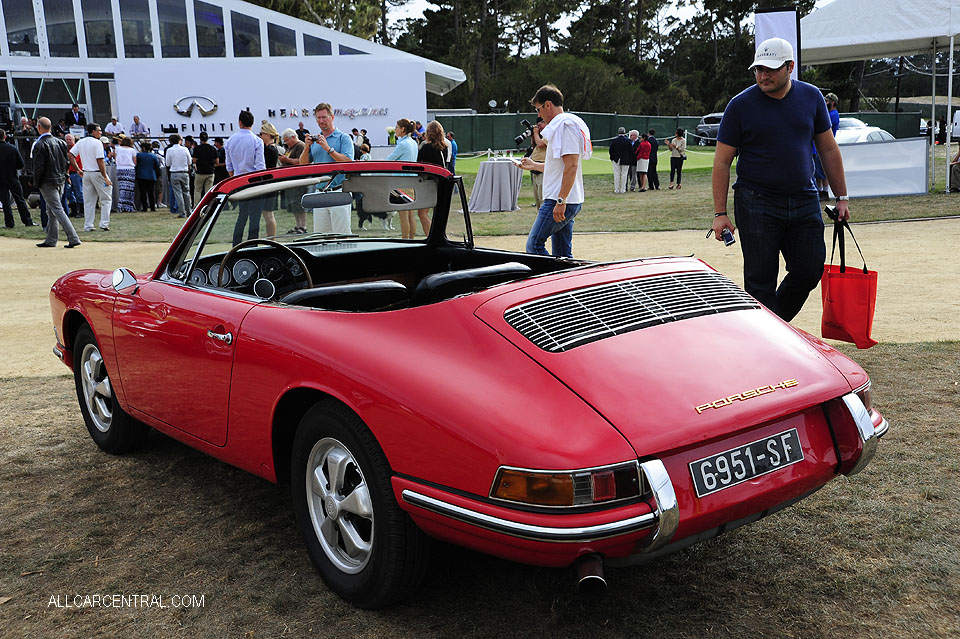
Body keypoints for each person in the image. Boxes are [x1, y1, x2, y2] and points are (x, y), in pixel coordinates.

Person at [712, 36, 850, 322]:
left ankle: (771, 327)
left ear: (790, 67)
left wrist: (842, 197)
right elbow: (722, 161)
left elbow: (827, 148)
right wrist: (720, 213)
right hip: (755, 201)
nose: (763, 75)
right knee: (760, 281)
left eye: (771, 69)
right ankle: (767, 342)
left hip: (804, 199)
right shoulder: (740, 106)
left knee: (810, 267)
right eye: (759, 69)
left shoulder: (811, 97)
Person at [518, 84, 592, 258]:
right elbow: (562, 166)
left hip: (559, 199)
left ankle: (549, 284)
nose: (539, 115)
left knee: (534, 246)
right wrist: (534, 165)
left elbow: (572, 165)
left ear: (548, 104)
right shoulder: (566, 124)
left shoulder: (565, 126)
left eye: (539, 109)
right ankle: (569, 283)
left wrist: (560, 200)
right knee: (562, 255)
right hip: (565, 198)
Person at [298, 102, 355, 235]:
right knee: (321, 237)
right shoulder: (316, 141)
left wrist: (328, 149)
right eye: (318, 118)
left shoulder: (343, 138)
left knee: (342, 237)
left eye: (324, 117)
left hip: (339, 191)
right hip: (320, 192)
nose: (321, 121)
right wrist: (306, 148)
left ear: (332, 117)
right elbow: (303, 165)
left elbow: (348, 162)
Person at [32, 118, 80, 248]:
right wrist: (66, 176)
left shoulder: (39, 144)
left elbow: (39, 167)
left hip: (47, 181)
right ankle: (51, 239)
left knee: (57, 210)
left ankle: (73, 237)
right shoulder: (61, 142)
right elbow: (66, 162)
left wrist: (36, 183)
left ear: (39, 127)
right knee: (52, 210)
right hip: (60, 180)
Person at [225, 110, 265, 244]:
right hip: (254, 182)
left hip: (239, 182)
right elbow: (260, 167)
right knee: (255, 217)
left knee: (242, 216)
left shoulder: (230, 141)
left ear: (240, 123)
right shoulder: (257, 141)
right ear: (252, 123)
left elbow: (229, 167)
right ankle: (252, 244)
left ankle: (236, 244)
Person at [69, 122, 112, 231]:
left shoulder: (81, 142)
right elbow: (100, 160)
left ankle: (88, 225)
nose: (100, 132)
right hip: (97, 172)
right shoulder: (97, 143)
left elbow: (71, 154)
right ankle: (104, 223)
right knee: (106, 199)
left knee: (89, 201)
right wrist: (105, 177)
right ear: (93, 131)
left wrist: (78, 169)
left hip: (86, 173)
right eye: (98, 130)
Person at [384, 118, 419, 238]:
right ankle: (411, 240)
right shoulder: (413, 142)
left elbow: (389, 160)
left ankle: (405, 241)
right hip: (412, 181)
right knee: (410, 214)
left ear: (403, 129)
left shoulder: (403, 144)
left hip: (401, 183)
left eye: (397, 127)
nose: (395, 129)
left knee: (403, 215)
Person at [413, 120, 449, 238]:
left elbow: (418, 164)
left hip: (429, 183)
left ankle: (432, 237)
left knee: (422, 213)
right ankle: (436, 236)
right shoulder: (444, 147)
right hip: (442, 182)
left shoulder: (426, 147)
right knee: (436, 214)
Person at [0, 129, 36, 228]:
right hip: (12, 177)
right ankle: (27, 221)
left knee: (5, 202)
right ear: (5, 136)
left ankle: (9, 223)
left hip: (1, 179)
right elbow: (20, 164)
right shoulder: (12, 148)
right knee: (20, 199)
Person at [278, 127, 307, 233]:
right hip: (291, 179)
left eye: (286, 141)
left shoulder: (300, 146)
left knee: (299, 203)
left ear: (293, 137)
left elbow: (301, 161)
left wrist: (286, 159)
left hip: (299, 179)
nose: (286, 143)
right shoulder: (290, 147)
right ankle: (298, 225)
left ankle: (303, 226)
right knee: (293, 204)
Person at [259, 120, 281, 237]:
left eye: (261, 134)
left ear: (267, 134)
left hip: (268, 184)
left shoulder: (269, 150)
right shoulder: (273, 148)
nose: (260, 136)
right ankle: (271, 239)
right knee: (268, 214)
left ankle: (271, 239)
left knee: (268, 215)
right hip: (270, 184)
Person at [164, 134, 193, 219]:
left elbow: (168, 163)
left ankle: (182, 212)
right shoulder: (185, 149)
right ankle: (189, 211)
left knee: (178, 193)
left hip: (174, 172)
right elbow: (189, 161)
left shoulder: (169, 150)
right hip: (184, 172)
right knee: (186, 192)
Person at [192, 130, 218, 204]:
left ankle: (196, 206)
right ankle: (208, 206)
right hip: (210, 172)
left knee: (197, 190)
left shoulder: (197, 148)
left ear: (200, 139)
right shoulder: (213, 149)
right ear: (208, 138)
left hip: (200, 172)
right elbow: (217, 161)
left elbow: (194, 160)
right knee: (208, 191)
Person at [135, 141, 161, 211]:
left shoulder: (139, 155)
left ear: (143, 148)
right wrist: (158, 175)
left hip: (141, 176)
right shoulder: (153, 156)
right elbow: (156, 167)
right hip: (151, 176)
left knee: (143, 193)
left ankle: (144, 207)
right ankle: (152, 207)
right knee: (151, 193)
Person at [63, 134, 83, 217]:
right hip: (68, 173)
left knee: (79, 192)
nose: (68, 141)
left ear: (73, 140)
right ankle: (74, 210)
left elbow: (72, 160)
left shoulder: (76, 149)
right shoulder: (65, 149)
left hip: (76, 173)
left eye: (69, 139)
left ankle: (82, 211)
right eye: (66, 139)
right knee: (69, 192)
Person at [114, 137, 137, 212]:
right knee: (129, 189)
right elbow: (135, 161)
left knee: (122, 188)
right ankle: (128, 205)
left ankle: (121, 204)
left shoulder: (117, 149)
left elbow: (115, 158)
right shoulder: (132, 150)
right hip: (129, 169)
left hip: (120, 169)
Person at [528, 120, 547, 208]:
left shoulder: (549, 133)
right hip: (535, 166)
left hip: (543, 167)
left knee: (542, 194)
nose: (539, 127)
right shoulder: (541, 135)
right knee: (537, 196)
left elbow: (540, 144)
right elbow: (534, 145)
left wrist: (535, 133)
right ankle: (540, 213)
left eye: (540, 125)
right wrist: (533, 135)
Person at [608, 127, 632, 193]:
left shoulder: (614, 140)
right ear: (624, 132)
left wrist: (612, 157)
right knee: (624, 174)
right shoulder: (628, 141)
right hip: (626, 159)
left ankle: (616, 189)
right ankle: (623, 189)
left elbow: (611, 150)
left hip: (616, 159)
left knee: (616, 174)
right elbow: (631, 151)